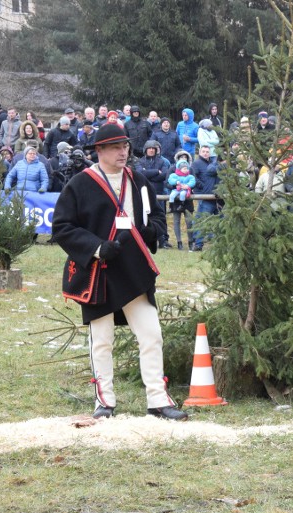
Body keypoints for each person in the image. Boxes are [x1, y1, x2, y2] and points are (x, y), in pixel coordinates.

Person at [52, 124, 186, 421]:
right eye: (115, 147)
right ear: (99, 151)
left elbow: (156, 216)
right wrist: (97, 247)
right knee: (102, 339)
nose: (123, 151)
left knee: (151, 334)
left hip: (134, 271)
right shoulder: (80, 184)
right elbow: (62, 227)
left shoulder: (138, 181)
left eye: (125, 146)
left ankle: (157, 400)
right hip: (98, 271)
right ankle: (105, 402)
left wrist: (153, 233)